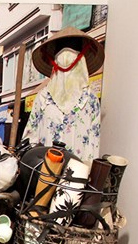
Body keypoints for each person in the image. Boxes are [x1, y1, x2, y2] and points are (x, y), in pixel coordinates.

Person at [22, 26, 105, 163]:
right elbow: (30, 139)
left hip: (77, 171)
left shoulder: (90, 100)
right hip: (44, 171)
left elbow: (94, 143)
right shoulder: (43, 97)